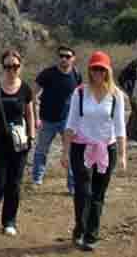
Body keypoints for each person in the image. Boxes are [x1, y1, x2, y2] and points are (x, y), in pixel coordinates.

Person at [62, 51, 127, 252]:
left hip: (107, 149)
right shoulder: (80, 92)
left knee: (98, 194)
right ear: (89, 70)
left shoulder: (116, 95)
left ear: (108, 71)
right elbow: (71, 124)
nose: (98, 72)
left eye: (102, 68)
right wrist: (65, 151)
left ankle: (91, 235)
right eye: (94, 68)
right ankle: (80, 229)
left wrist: (123, 154)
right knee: (83, 192)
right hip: (81, 148)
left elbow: (120, 127)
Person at [0, 50, 35, 236]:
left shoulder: (26, 88)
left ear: (21, 66)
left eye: (15, 66)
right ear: (3, 67)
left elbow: (29, 113)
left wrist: (32, 134)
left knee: (15, 183)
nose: (12, 70)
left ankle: (9, 220)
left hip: (19, 141)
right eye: (8, 66)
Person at [32, 46, 81, 192]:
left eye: (67, 56)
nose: (64, 59)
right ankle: (37, 180)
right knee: (41, 150)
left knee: (71, 152)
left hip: (67, 121)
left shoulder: (76, 74)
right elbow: (33, 95)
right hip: (47, 120)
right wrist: (36, 117)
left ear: (73, 58)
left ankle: (72, 186)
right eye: (61, 56)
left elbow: (78, 97)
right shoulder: (47, 74)